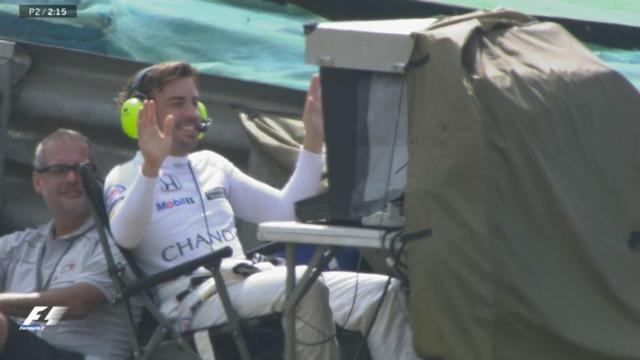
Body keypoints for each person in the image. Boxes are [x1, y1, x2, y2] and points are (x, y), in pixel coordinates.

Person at [105, 61, 419, 360]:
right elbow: (126, 236)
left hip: (251, 280)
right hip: (197, 303)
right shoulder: (125, 176)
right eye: (177, 103)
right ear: (138, 114)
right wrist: (151, 167)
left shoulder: (213, 164)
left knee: (383, 291)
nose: (192, 113)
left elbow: (285, 211)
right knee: (303, 287)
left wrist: (313, 140)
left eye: (194, 102)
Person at [0, 129, 131, 360]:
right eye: (59, 170)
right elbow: (46, 317)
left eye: (82, 170)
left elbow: (78, 304)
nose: (72, 179)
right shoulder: (20, 244)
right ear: (37, 181)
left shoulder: (118, 237)